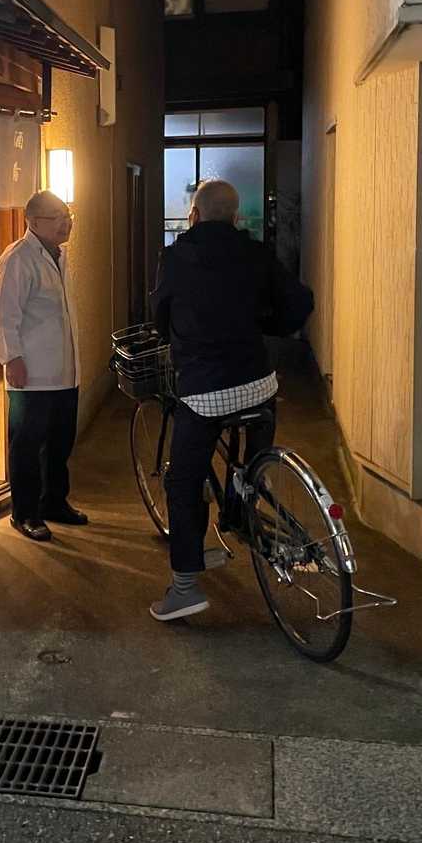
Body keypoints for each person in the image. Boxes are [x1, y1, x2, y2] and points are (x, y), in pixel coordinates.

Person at [148, 179, 314, 620]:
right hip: (259, 385)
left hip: (204, 391)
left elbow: (161, 316)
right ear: (236, 217)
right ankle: (245, 504)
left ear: (194, 215)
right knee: (250, 466)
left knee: (183, 482)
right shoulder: (255, 252)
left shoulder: (176, 257)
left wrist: (179, 338)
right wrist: (264, 323)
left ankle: (185, 587)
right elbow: (298, 302)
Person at [0, 190, 87, 542]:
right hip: (31, 373)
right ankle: (25, 513)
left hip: (65, 371)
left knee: (60, 443)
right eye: (57, 217)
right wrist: (11, 358)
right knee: (27, 445)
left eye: (67, 215)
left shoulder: (59, 255)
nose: (66, 223)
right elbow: (1, 316)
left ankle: (54, 502)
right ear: (33, 221)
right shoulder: (18, 258)